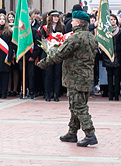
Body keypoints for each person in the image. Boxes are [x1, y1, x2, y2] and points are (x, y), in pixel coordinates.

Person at [37, 9, 99, 146]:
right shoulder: (92, 38)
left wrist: (43, 63)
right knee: (75, 105)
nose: (71, 24)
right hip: (87, 77)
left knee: (79, 107)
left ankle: (90, 133)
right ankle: (72, 132)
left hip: (75, 77)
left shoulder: (75, 38)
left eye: (73, 21)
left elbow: (60, 54)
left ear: (78, 22)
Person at [38, 11, 64, 101]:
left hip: (57, 54)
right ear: (50, 18)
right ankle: (47, 94)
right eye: (54, 16)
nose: (56, 18)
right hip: (47, 54)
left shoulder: (61, 28)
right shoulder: (45, 28)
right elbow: (42, 40)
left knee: (57, 75)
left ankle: (56, 94)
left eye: (57, 16)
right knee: (48, 75)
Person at [103, 14, 121, 101]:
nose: (112, 21)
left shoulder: (120, 31)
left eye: (114, 19)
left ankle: (117, 94)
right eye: (111, 19)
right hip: (108, 56)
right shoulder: (105, 32)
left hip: (117, 56)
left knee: (117, 77)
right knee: (110, 76)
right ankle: (110, 94)